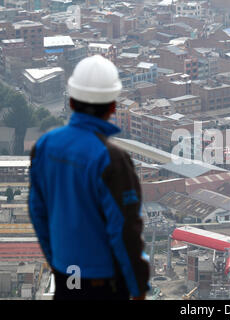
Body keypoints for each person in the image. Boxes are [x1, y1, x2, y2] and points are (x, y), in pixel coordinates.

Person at [28, 55, 150, 300]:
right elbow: (125, 230)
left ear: (71, 101)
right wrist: (137, 289)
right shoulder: (111, 159)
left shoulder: (46, 145)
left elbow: (37, 211)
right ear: (113, 106)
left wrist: (56, 261)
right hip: (102, 283)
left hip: (67, 276)